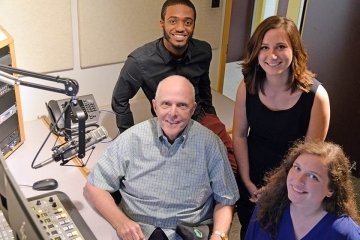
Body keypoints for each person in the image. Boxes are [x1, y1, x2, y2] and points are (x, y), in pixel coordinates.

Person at [84, 75, 239, 240]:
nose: (173, 113)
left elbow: (226, 199)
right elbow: (94, 187)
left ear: (193, 109)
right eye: (166, 104)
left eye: (182, 105)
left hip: (189, 233)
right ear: (155, 106)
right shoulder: (131, 138)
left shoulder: (211, 144)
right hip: (138, 232)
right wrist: (120, 222)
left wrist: (219, 234)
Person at [111, 0, 238, 174]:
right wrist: (128, 135)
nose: (180, 28)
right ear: (162, 23)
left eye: (187, 22)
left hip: (199, 116)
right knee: (175, 174)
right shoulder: (140, 61)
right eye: (173, 21)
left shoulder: (203, 51)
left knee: (230, 166)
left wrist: (211, 121)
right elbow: (120, 99)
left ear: (193, 25)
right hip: (167, 123)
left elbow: (204, 86)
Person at [232, 15, 331, 239]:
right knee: (250, 231)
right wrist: (247, 181)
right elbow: (239, 135)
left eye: (280, 47)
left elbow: (310, 157)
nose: (272, 55)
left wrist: (276, 188)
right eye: (264, 47)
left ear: (295, 50)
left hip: (294, 182)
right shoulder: (247, 86)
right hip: (252, 174)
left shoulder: (317, 97)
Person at [245, 141, 360, 240]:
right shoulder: (266, 206)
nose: (298, 180)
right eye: (297, 168)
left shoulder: (344, 232)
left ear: (331, 189)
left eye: (313, 176)